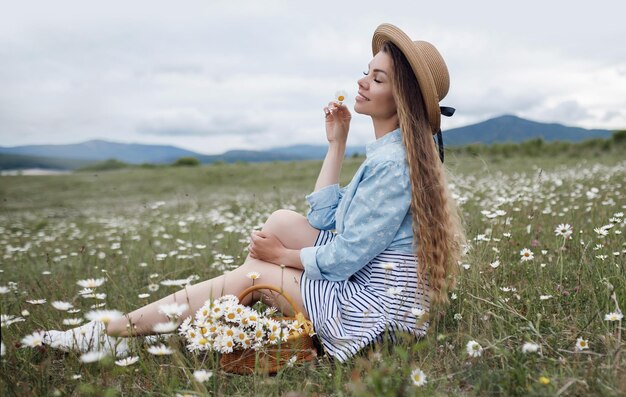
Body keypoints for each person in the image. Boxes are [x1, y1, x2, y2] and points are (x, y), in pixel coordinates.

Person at [44, 23, 466, 363]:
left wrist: (281, 260)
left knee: (256, 271)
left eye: (377, 78)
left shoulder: (393, 166)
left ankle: (115, 330)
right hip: (371, 288)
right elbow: (323, 221)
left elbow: (348, 256)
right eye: (365, 71)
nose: (361, 81)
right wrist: (336, 144)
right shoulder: (387, 155)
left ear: (402, 98)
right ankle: (234, 313)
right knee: (282, 222)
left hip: (377, 315)